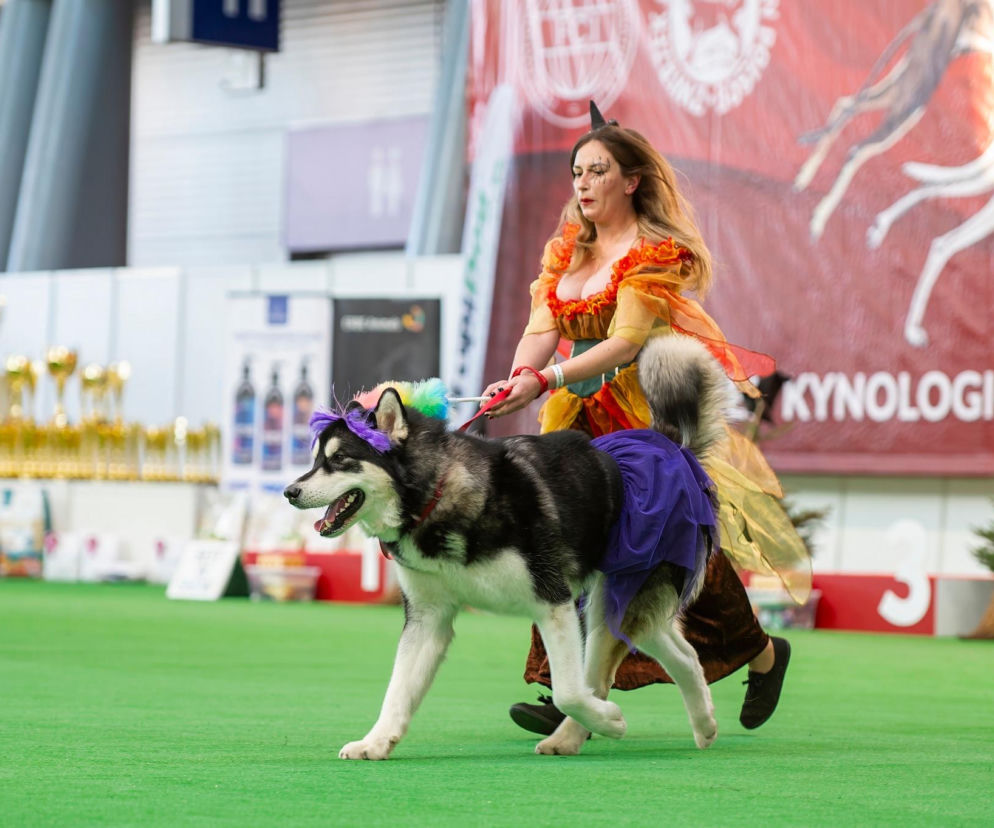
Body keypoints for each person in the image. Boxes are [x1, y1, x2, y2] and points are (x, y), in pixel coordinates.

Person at [481, 102, 810, 735]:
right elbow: (540, 329)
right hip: (572, 417)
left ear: (630, 180)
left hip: (640, 419)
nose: (581, 183)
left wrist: (545, 378)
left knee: (679, 548)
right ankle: (563, 686)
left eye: (596, 170)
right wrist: (522, 377)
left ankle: (766, 654)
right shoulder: (565, 253)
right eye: (577, 171)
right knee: (561, 539)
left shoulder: (653, 253)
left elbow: (626, 343)